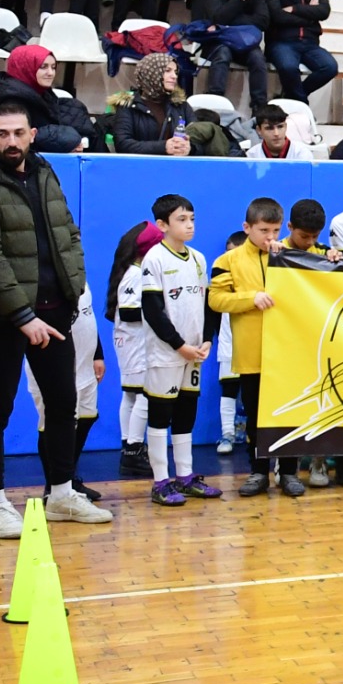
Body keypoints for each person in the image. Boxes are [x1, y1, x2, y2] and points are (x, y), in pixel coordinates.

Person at [0, 102, 108, 537]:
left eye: (18, 133)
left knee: (64, 403)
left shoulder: (46, 172)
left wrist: (73, 286)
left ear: (32, 134)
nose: (10, 141)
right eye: (1, 134)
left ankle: (61, 494)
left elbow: (68, 234)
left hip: (55, 310)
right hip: (6, 317)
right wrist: (21, 314)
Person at [208, 198, 300, 498]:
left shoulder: (290, 255)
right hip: (251, 354)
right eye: (263, 231)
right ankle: (258, 472)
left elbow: (321, 267)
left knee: (288, 416)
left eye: (275, 230)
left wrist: (333, 255)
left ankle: (288, 472)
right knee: (255, 417)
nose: (270, 237)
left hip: (287, 354)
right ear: (247, 228)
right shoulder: (227, 261)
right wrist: (250, 298)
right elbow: (215, 300)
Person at [137, 195, 216, 505]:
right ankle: (160, 481)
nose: (190, 225)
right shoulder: (154, 259)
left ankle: (185, 476)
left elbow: (208, 305)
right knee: (161, 415)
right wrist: (179, 345)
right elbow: (152, 310)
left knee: (186, 413)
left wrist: (206, 339)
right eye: (182, 220)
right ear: (162, 225)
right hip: (167, 352)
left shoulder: (198, 258)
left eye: (192, 219)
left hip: (194, 353)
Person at [265, 0, 339, 106]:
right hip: (281, 42)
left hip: (310, 43)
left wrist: (295, 9)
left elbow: (324, 11)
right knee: (288, 67)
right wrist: (310, 16)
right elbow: (278, 17)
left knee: (330, 67)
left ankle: (291, 97)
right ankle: (302, 104)